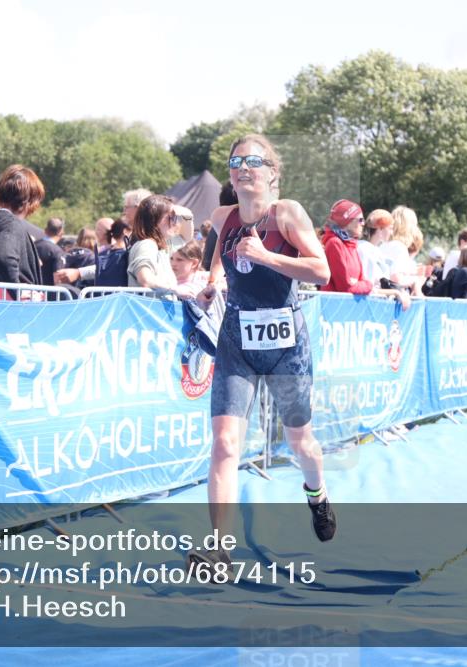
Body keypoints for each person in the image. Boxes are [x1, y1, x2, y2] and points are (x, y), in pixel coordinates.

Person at [195, 134, 335, 565]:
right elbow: (218, 258)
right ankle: (219, 549)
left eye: (253, 159)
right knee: (223, 443)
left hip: (285, 343)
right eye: (235, 160)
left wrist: (267, 257)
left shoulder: (286, 213)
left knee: (301, 443)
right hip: (237, 338)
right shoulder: (223, 216)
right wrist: (213, 281)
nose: (242, 166)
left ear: (272, 173)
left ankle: (317, 493)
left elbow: (322, 270)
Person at [0, 165, 45, 300]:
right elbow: (3, 257)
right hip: (12, 307)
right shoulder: (10, 224)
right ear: (29, 200)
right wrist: (18, 291)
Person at [126, 194, 198, 298]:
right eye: (170, 217)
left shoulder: (160, 244)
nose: (174, 222)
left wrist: (187, 216)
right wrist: (175, 290)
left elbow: (186, 237)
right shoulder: (147, 245)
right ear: (154, 219)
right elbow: (146, 280)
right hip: (149, 312)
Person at [320, 199, 372, 295]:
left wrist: (364, 284)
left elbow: (362, 280)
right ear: (346, 222)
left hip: (349, 307)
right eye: (360, 220)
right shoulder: (334, 243)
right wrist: (368, 285)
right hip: (334, 307)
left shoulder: (352, 245)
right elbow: (345, 288)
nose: (363, 223)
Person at [357, 208, 393, 287]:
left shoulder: (374, 249)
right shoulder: (364, 249)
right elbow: (368, 281)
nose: (391, 232)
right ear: (380, 228)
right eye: (390, 228)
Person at [34, 217, 67, 288]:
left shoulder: (33, 245)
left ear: (45, 230)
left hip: (29, 290)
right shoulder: (57, 251)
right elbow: (57, 279)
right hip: (48, 294)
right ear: (61, 232)